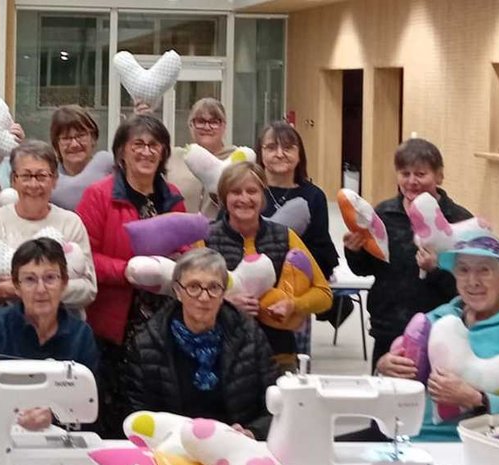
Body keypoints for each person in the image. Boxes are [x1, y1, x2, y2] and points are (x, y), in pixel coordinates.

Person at [373, 229, 499, 441]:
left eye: (484, 270)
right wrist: (385, 368)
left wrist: (478, 400)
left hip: (475, 447)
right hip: (407, 436)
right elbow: (399, 380)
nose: (472, 281)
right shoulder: (437, 318)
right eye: (463, 270)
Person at [76, 114, 186, 437]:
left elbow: (186, 247)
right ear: (121, 152)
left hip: (165, 321)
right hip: (114, 324)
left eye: (154, 145)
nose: (146, 152)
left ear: (164, 152)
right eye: (137, 144)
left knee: (158, 408)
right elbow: (83, 258)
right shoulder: (99, 195)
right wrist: (126, 272)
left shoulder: (173, 197)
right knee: (115, 409)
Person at [343, 138, 473, 370]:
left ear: (439, 176)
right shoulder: (383, 214)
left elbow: (469, 285)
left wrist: (436, 269)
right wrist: (354, 251)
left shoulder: (458, 220)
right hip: (388, 328)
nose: (412, 181)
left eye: (421, 174)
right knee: (387, 399)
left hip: (440, 328)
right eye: (405, 174)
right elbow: (365, 269)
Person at [121, 249, 278, 438]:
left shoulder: (249, 336)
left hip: (237, 447)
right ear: (178, 291)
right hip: (171, 451)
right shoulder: (149, 343)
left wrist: (252, 432)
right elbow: (137, 413)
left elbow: (275, 406)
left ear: (223, 293)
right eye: (194, 287)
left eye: (213, 287)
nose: (204, 297)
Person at [0, 238, 99, 431]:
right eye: (30, 280)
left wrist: (54, 416)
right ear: (16, 285)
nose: (41, 289)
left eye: (50, 278)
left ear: (64, 282)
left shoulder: (80, 336)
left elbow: (90, 406)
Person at [206, 163, 332, 372]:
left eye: (252, 191)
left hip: (278, 356)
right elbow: (183, 295)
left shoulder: (285, 236)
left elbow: (324, 293)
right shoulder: (206, 238)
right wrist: (224, 303)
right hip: (221, 356)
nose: (244, 199)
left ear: (263, 195)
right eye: (235, 192)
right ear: (223, 198)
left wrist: (293, 304)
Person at [0, 140, 96, 314]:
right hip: (7, 329)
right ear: (14, 180)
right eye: (26, 176)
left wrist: (35, 288)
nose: (34, 185)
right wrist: (4, 290)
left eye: (42, 176)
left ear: (54, 180)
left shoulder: (70, 222)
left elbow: (88, 289)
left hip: (63, 330)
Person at [256, 121, 338, 356]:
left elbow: (321, 249)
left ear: (299, 153)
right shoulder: (248, 189)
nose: (280, 154)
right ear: (260, 153)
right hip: (251, 296)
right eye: (271, 147)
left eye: (288, 147)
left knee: (292, 367)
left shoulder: (313, 196)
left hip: (295, 298)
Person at [163, 98, 238, 219]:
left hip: (221, 234)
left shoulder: (236, 159)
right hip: (181, 234)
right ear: (191, 125)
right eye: (200, 121)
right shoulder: (173, 157)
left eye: (214, 121)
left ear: (224, 126)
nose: (207, 127)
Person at [49, 105, 114, 210]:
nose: (74, 144)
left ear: (93, 138)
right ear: (56, 144)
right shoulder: (46, 174)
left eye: (81, 136)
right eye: (66, 138)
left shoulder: (108, 164)